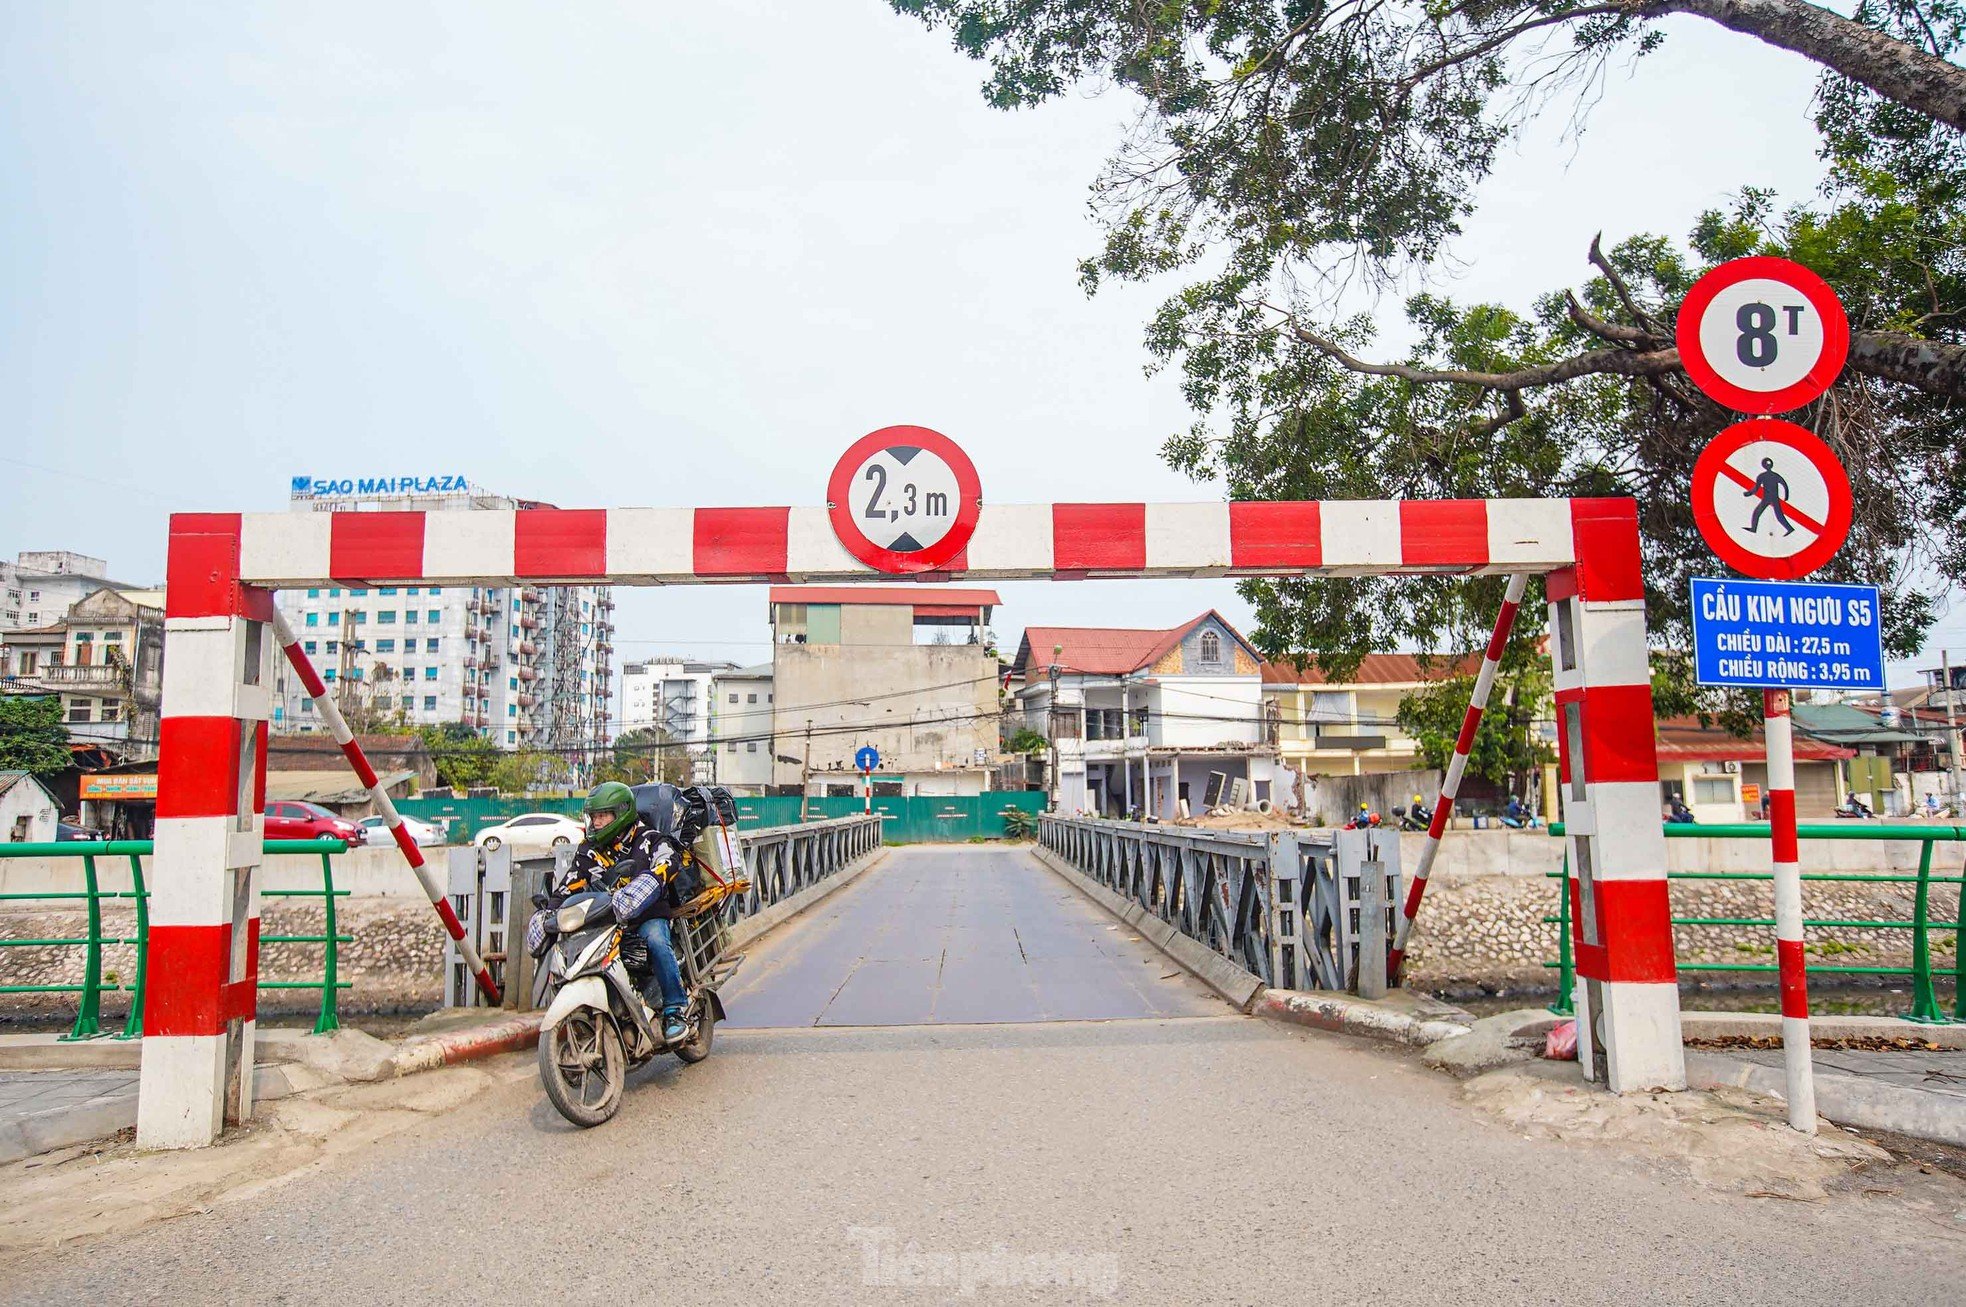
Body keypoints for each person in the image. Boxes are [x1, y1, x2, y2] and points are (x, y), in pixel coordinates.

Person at [570, 781, 689, 1044]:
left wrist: (650, 881)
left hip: (647, 916)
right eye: (594, 816)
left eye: (603, 816)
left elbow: (670, 861)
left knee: (657, 941)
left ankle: (674, 1010)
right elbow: (570, 883)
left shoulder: (649, 839)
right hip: (607, 921)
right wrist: (550, 910)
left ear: (621, 813)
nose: (597, 822)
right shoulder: (588, 850)